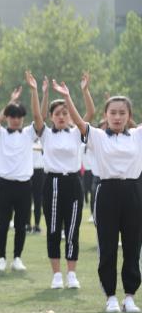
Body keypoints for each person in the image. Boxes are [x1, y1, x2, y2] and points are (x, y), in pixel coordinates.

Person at [52, 81, 140, 313]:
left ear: (129, 116)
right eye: (113, 113)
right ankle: (110, 295)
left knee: (132, 246)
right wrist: (71, 96)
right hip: (107, 192)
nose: (117, 117)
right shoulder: (98, 136)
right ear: (106, 115)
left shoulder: (137, 136)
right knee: (108, 246)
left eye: (122, 113)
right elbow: (80, 122)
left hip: (133, 192)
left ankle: (130, 296)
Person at [29, 72, 94, 290]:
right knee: (54, 229)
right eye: (57, 114)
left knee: (72, 230)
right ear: (52, 117)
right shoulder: (46, 133)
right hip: (53, 183)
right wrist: (36, 91)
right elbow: (37, 115)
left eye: (65, 113)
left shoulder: (76, 132)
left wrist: (81, 92)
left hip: (73, 182)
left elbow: (91, 113)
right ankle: (57, 274)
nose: (62, 117)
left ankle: (72, 274)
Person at [0, 77, 39, 272]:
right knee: (2, 224)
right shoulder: (0, 133)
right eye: (12, 116)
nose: (15, 120)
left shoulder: (28, 133)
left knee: (20, 225)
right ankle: (1, 258)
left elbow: (38, 115)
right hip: (5, 185)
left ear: (22, 118)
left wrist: (34, 91)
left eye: (18, 117)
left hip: (25, 185)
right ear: (8, 117)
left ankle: (17, 257)